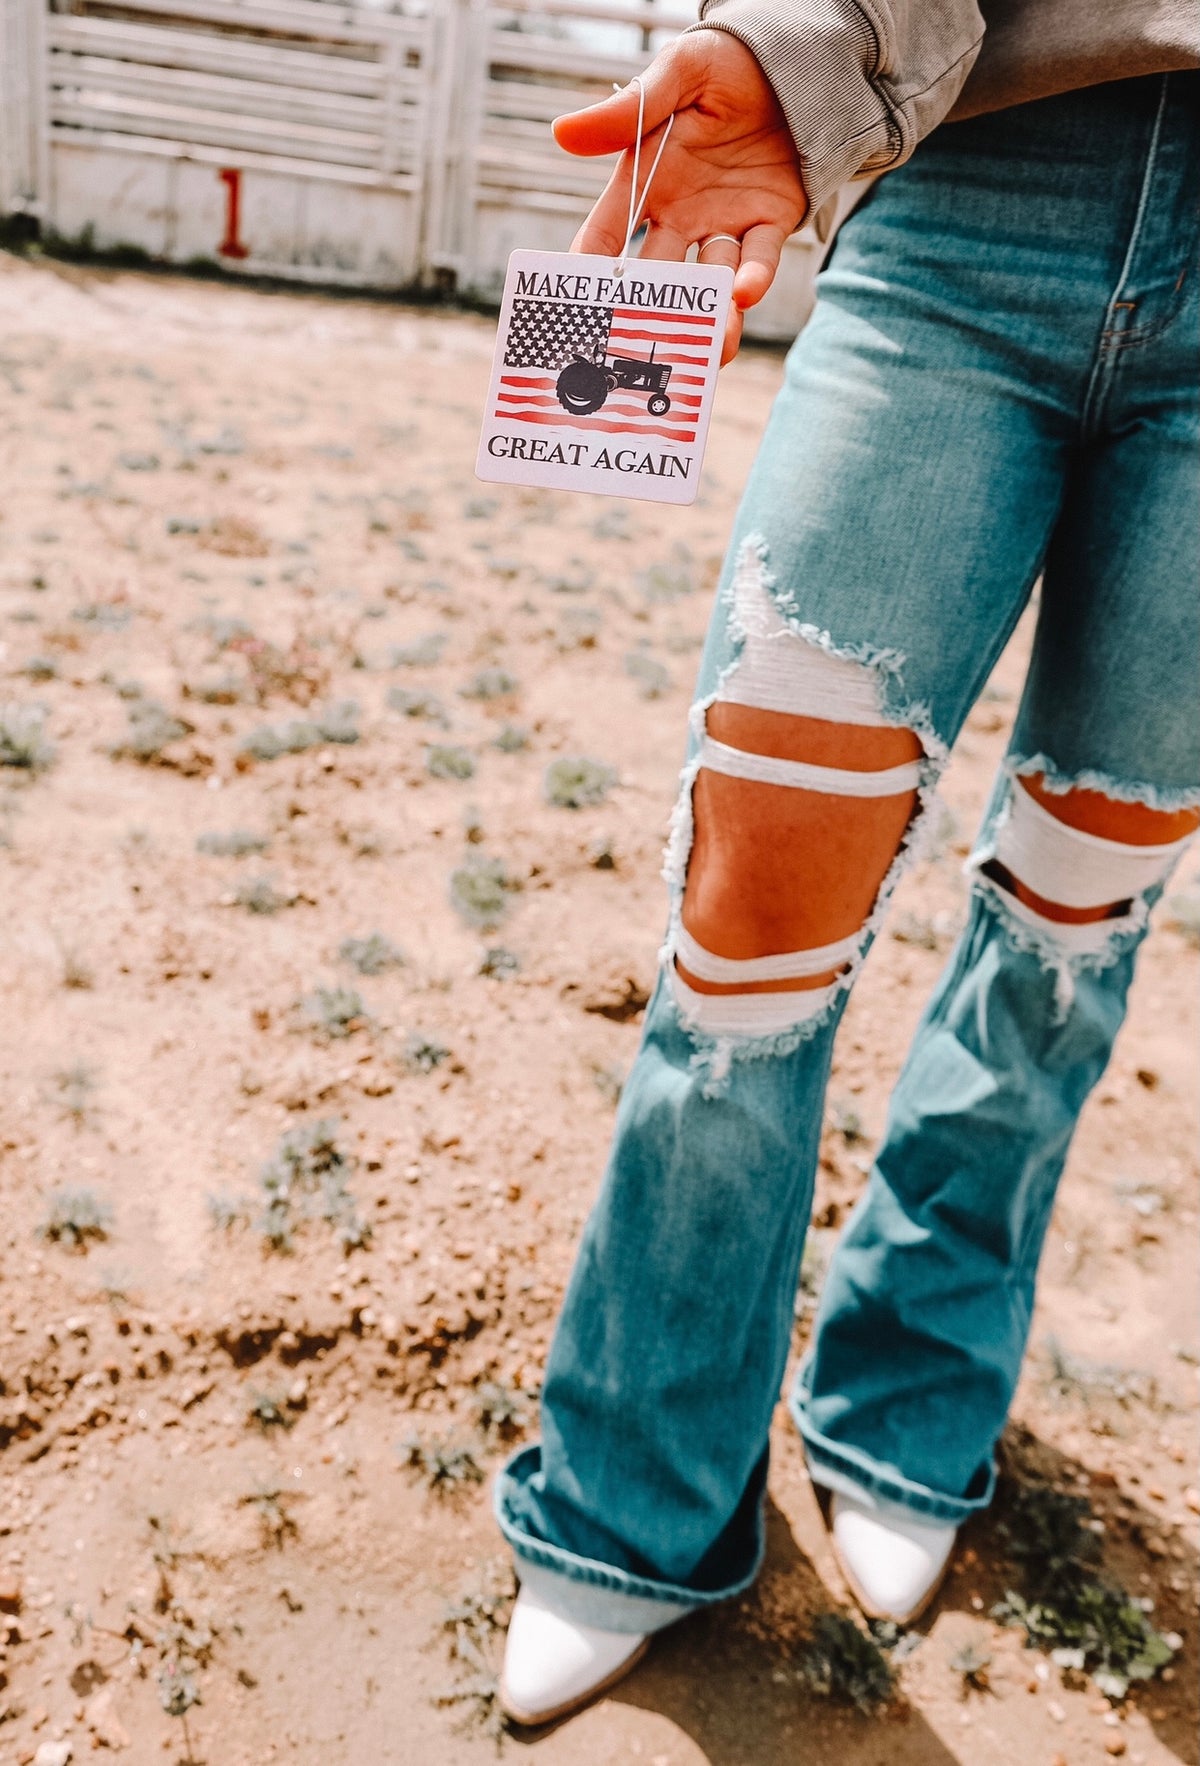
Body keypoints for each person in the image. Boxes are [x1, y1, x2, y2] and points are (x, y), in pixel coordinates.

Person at [492, 0, 1200, 1726]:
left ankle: (905, 1398)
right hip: (977, 192)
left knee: (1074, 919)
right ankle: (635, 1492)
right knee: (752, 917)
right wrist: (802, 49)